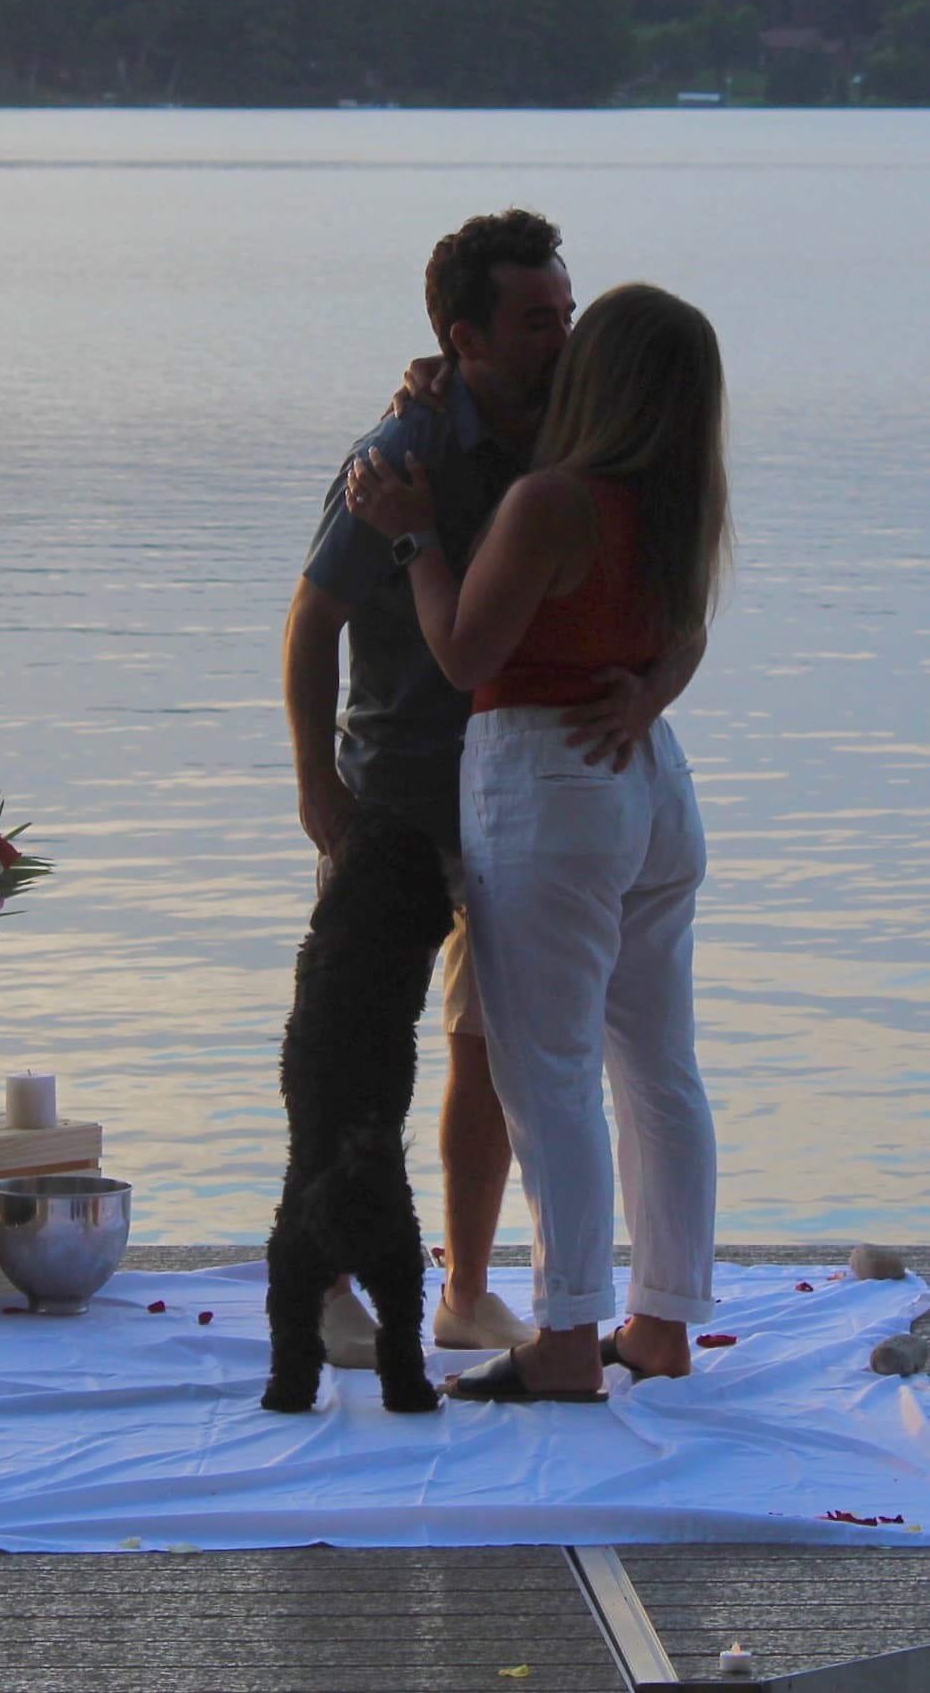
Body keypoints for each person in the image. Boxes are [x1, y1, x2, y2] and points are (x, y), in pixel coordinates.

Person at [284, 212, 697, 1368]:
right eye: (535, 321)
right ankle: (329, 1281)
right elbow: (313, 618)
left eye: (567, 312)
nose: (562, 337)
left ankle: (467, 1289)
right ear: (463, 339)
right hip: (404, 789)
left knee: (489, 1051)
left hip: (530, 801)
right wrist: (316, 782)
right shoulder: (400, 450)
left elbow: (680, 600)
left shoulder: (589, 435)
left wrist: (650, 692)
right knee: (359, 1043)